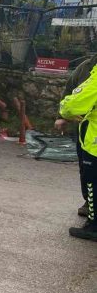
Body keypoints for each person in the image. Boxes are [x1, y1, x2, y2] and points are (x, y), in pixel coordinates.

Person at [55, 54, 97, 217]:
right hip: (86, 130)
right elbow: (70, 91)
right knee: (87, 170)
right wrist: (61, 116)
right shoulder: (86, 67)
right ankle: (89, 203)